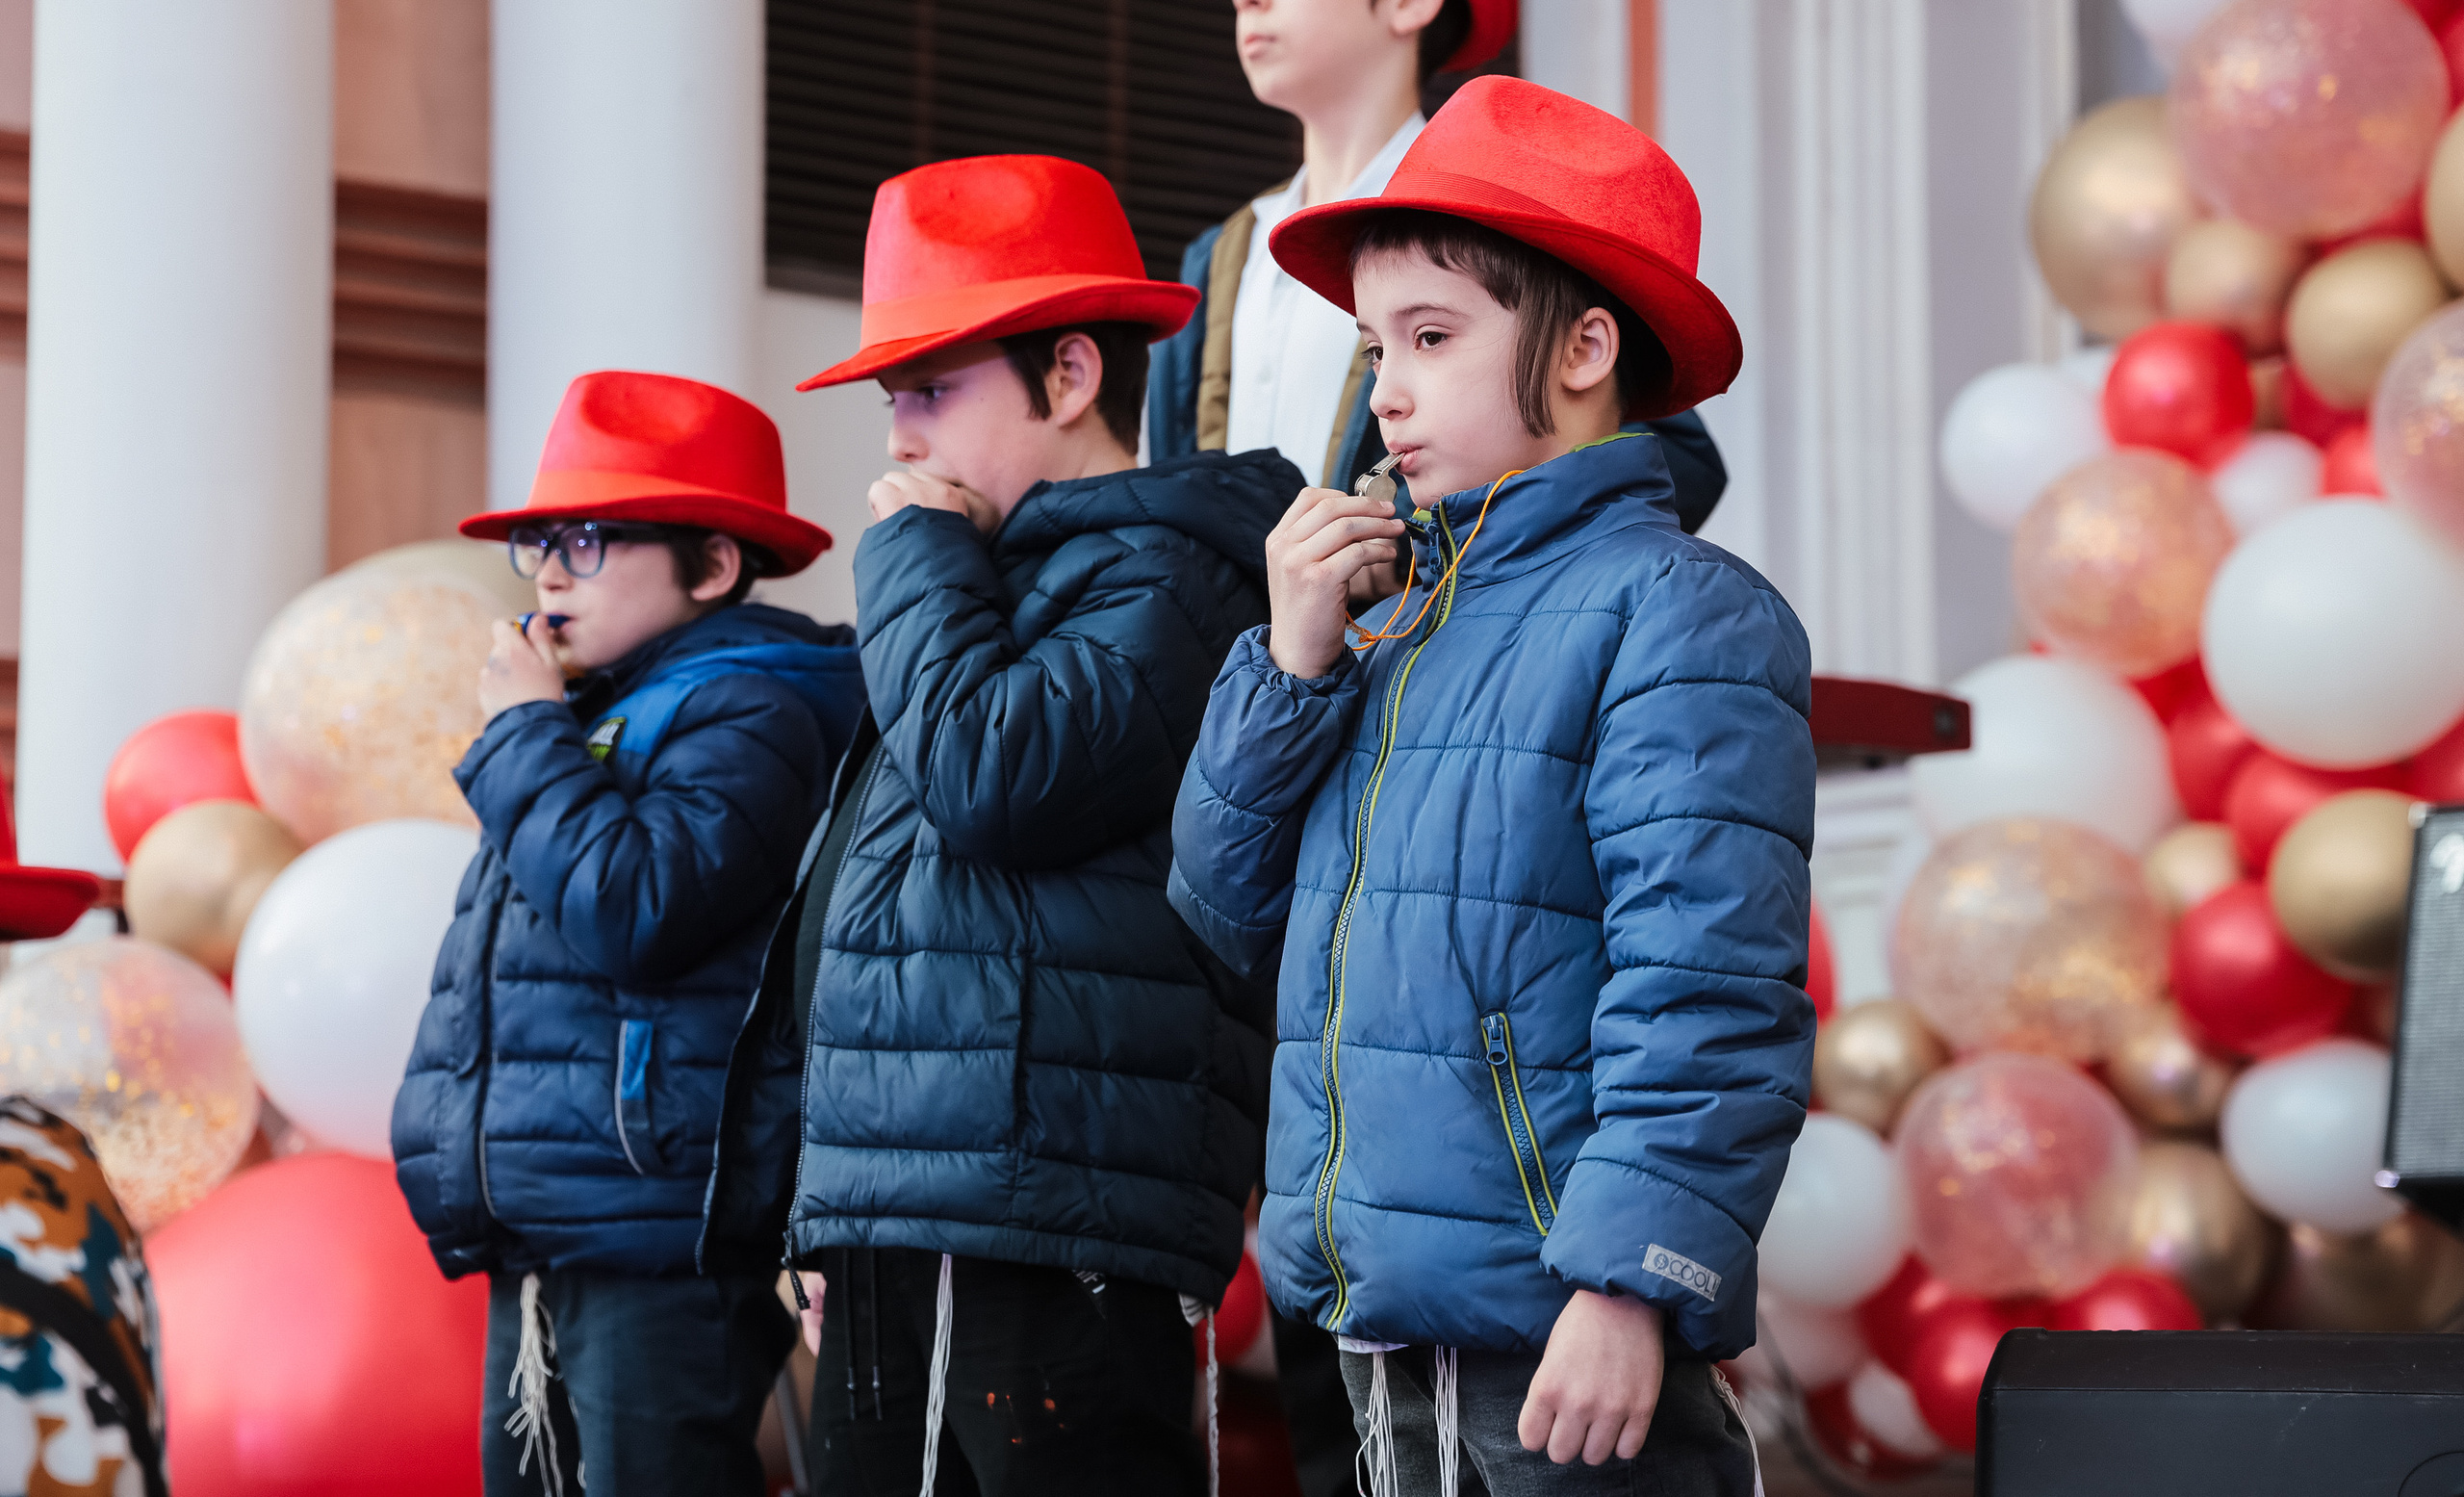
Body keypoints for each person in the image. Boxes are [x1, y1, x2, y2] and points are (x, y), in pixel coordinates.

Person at [1168, 76, 1815, 1493]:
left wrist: (1635, 1280)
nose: (1384, 388)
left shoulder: (1681, 610)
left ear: (1586, 344)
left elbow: (1706, 982)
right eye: (1372, 343)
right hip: (1372, 1330)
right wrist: (1289, 661)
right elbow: (1219, 912)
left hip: (1561, 1337)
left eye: (1432, 336)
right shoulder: (1384, 617)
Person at [704, 152, 1305, 1496]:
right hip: (909, 1208)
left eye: (931, 390)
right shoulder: (975, 578)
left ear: (1073, 374)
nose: (898, 436)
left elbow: (997, 773)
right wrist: (826, 1204)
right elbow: (857, 905)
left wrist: (913, 556)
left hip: (1055, 1214)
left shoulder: (1170, 569)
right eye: (892, 398)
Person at [393, 371, 866, 1497]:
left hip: (664, 1230)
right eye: (542, 540)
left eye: (595, 539)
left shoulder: (751, 704)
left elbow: (634, 909)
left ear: (711, 565)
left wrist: (520, 729)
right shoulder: (593, 709)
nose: (552, 569)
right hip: (564, 1225)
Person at [1148, 0, 1728, 539]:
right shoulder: (1222, 255)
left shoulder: (1493, 215)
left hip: (1426, 631)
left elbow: (1678, 456)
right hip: (1266, 647)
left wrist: (1405, 555)